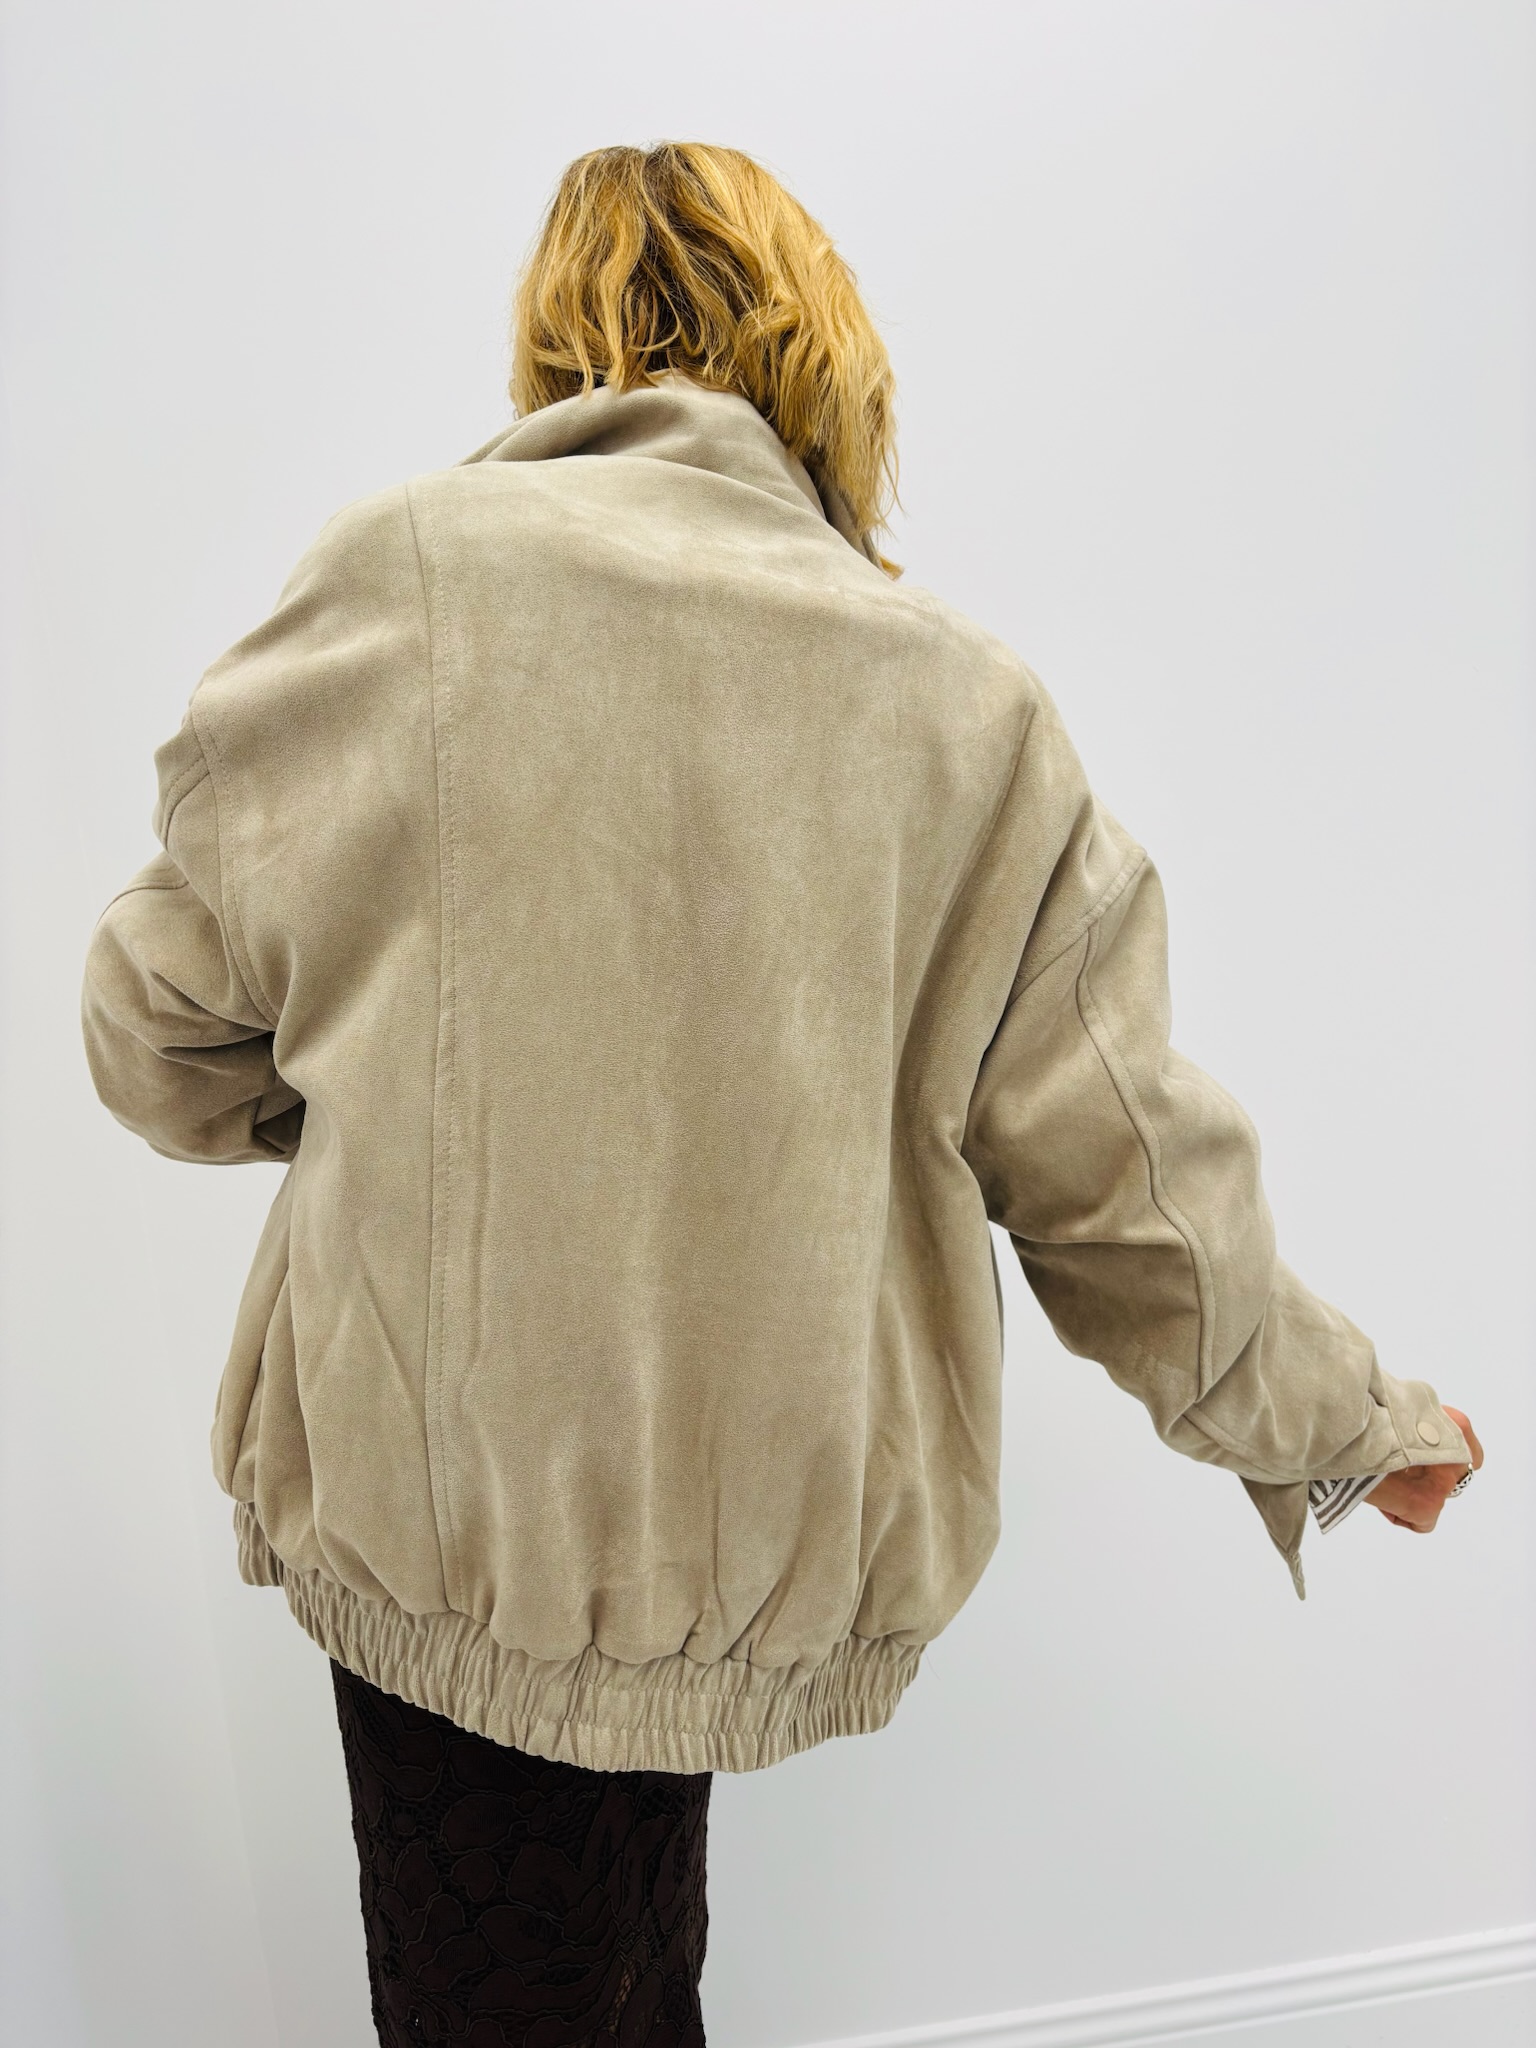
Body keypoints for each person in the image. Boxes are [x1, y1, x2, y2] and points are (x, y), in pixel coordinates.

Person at [80, 142, 1484, 2047]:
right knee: (629, 1972)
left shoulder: (401, 579)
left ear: (559, 331)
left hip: (439, 1520)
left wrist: (377, 1081)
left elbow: (155, 1030)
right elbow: (1126, 1180)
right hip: (743, 1557)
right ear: (825, 358)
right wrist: (1348, 1425)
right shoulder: (961, 706)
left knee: (514, 1988)